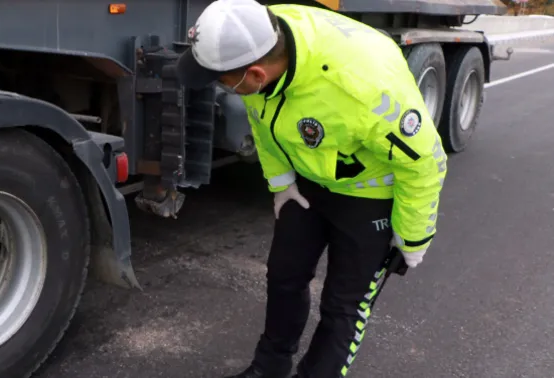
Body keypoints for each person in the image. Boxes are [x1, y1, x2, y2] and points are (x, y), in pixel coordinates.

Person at [175, 0, 448, 377]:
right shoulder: (264, 35)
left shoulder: (364, 90)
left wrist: (414, 235)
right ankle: (269, 367)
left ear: (254, 73)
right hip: (308, 182)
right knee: (284, 276)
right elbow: (263, 119)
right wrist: (281, 181)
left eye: (222, 80)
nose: (223, 89)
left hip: (368, 195)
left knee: (343, 305)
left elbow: (426, 161)